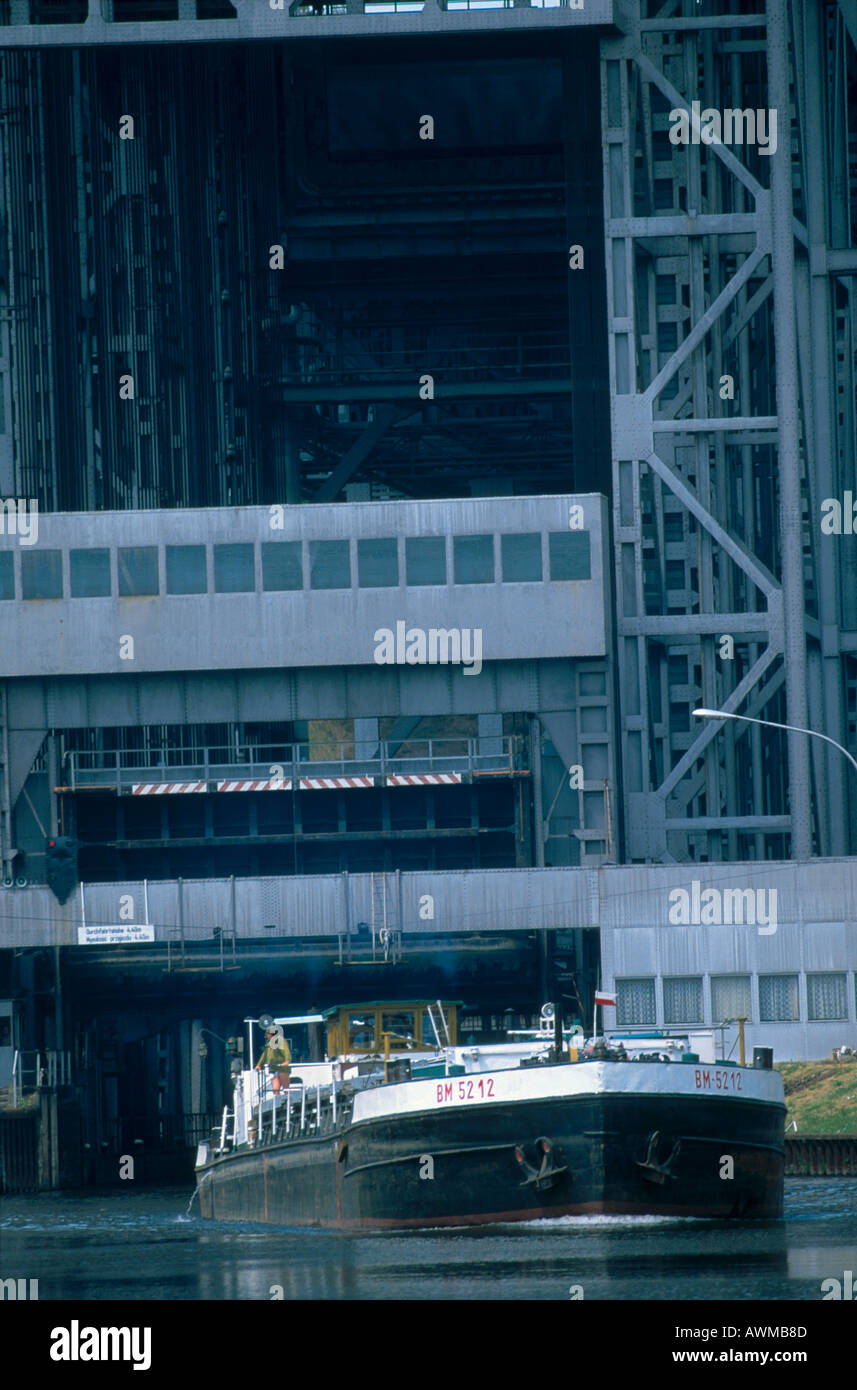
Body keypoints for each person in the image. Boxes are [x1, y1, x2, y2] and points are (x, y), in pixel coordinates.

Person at [255, 1026, 291, 1094]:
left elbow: (286, 1051)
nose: (267, 1035)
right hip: (274, 1068)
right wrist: (259, 1065)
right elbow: (264, 1055)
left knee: (285, 1088)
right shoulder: (269, 1044)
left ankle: (288, 1100)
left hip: (283, 1068)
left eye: (268, 1034)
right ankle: (277, 1100)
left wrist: (287, 1061)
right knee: (275, 1089)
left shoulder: (281, 1041)